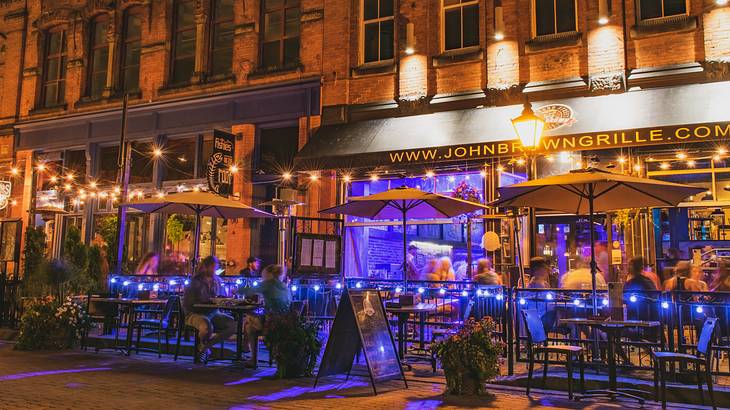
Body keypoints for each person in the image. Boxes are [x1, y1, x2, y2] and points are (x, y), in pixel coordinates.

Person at [182, 256, 237, 364]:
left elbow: (223, 297)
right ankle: (204, 347)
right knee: (207, 327)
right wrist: (205, 302)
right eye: (212, 267)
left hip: (214, 312)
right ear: (205, 267)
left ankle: (205, 346)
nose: (214, 270)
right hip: (195, 313)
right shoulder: (195, 282)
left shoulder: (217, 281)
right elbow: (188, 304)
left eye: (215, 268)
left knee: (234, 325)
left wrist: (225, 298)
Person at [242, 264, 291, 369]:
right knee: (249, 324)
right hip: (285, 322)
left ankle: (252, 358)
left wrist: (236, 291)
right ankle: (250, 353)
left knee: (248, 321)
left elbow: (248, 291)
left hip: (271, 323)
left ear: (268, 274)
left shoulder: (268, 284)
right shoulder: (284, 286)